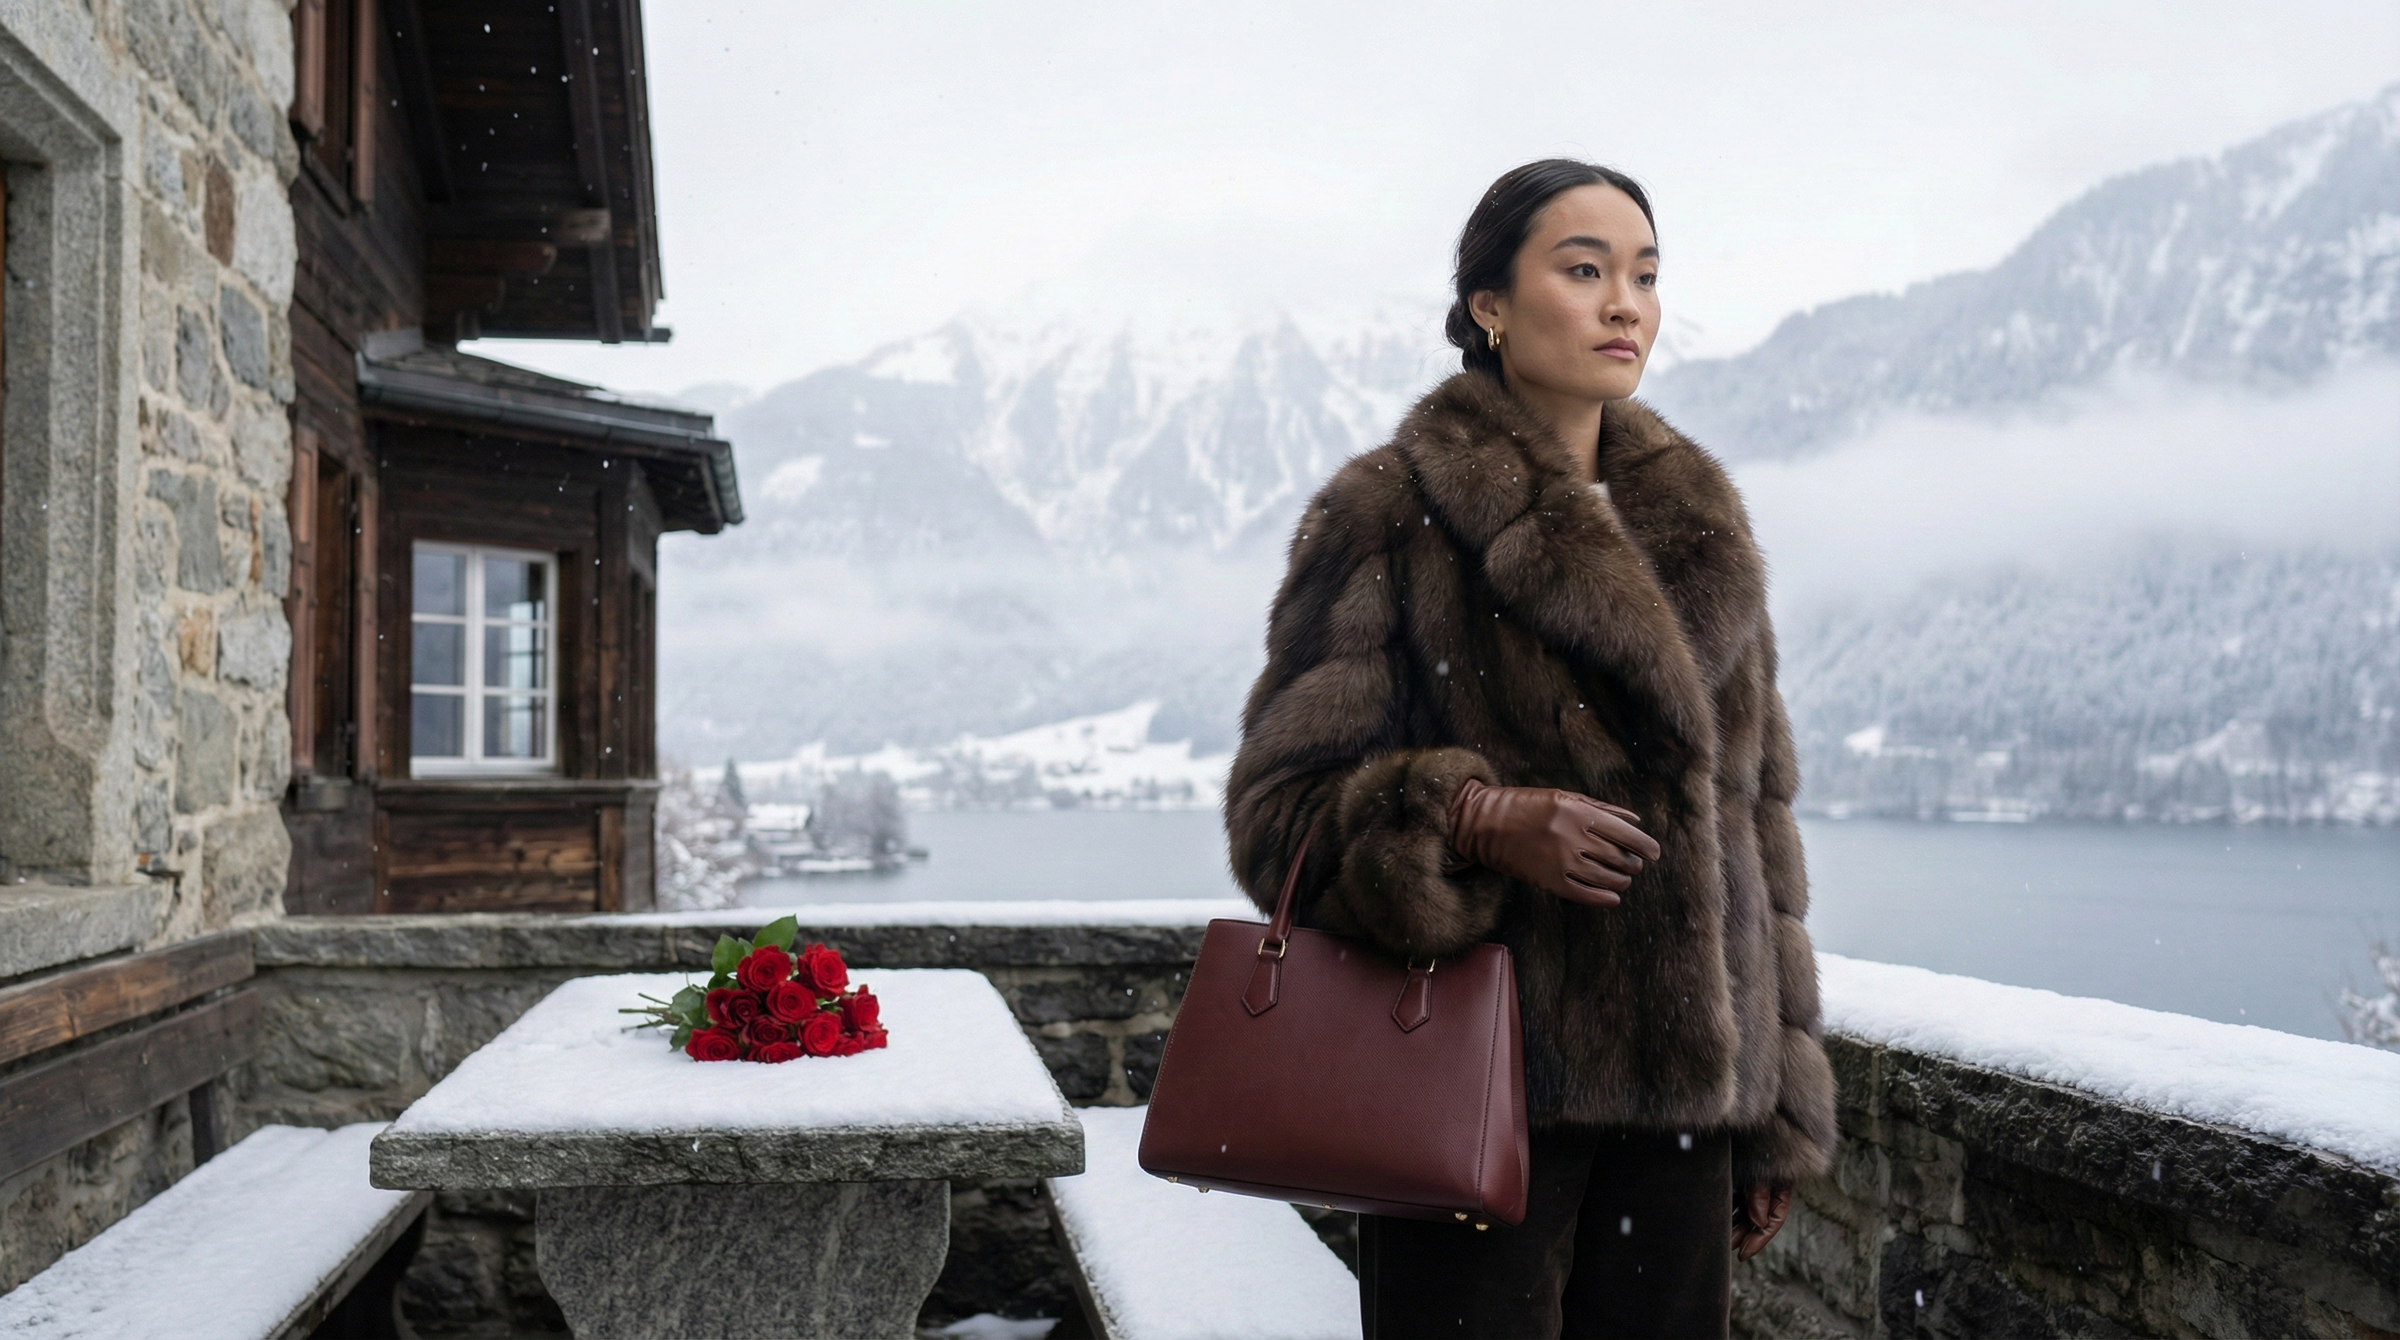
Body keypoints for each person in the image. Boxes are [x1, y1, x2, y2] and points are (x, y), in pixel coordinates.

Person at [1224, 159, 1837, 1339]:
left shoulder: (1703, 527)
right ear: (1489, 305)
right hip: (1473, 1095)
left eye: (1647, 276)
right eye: (1585, 268)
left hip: (1684, 1128)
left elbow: (1759, 833)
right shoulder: (1389, 514)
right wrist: (1472, 817)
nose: (1627, 304)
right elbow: (1278, 814)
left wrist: (1774, 1112)